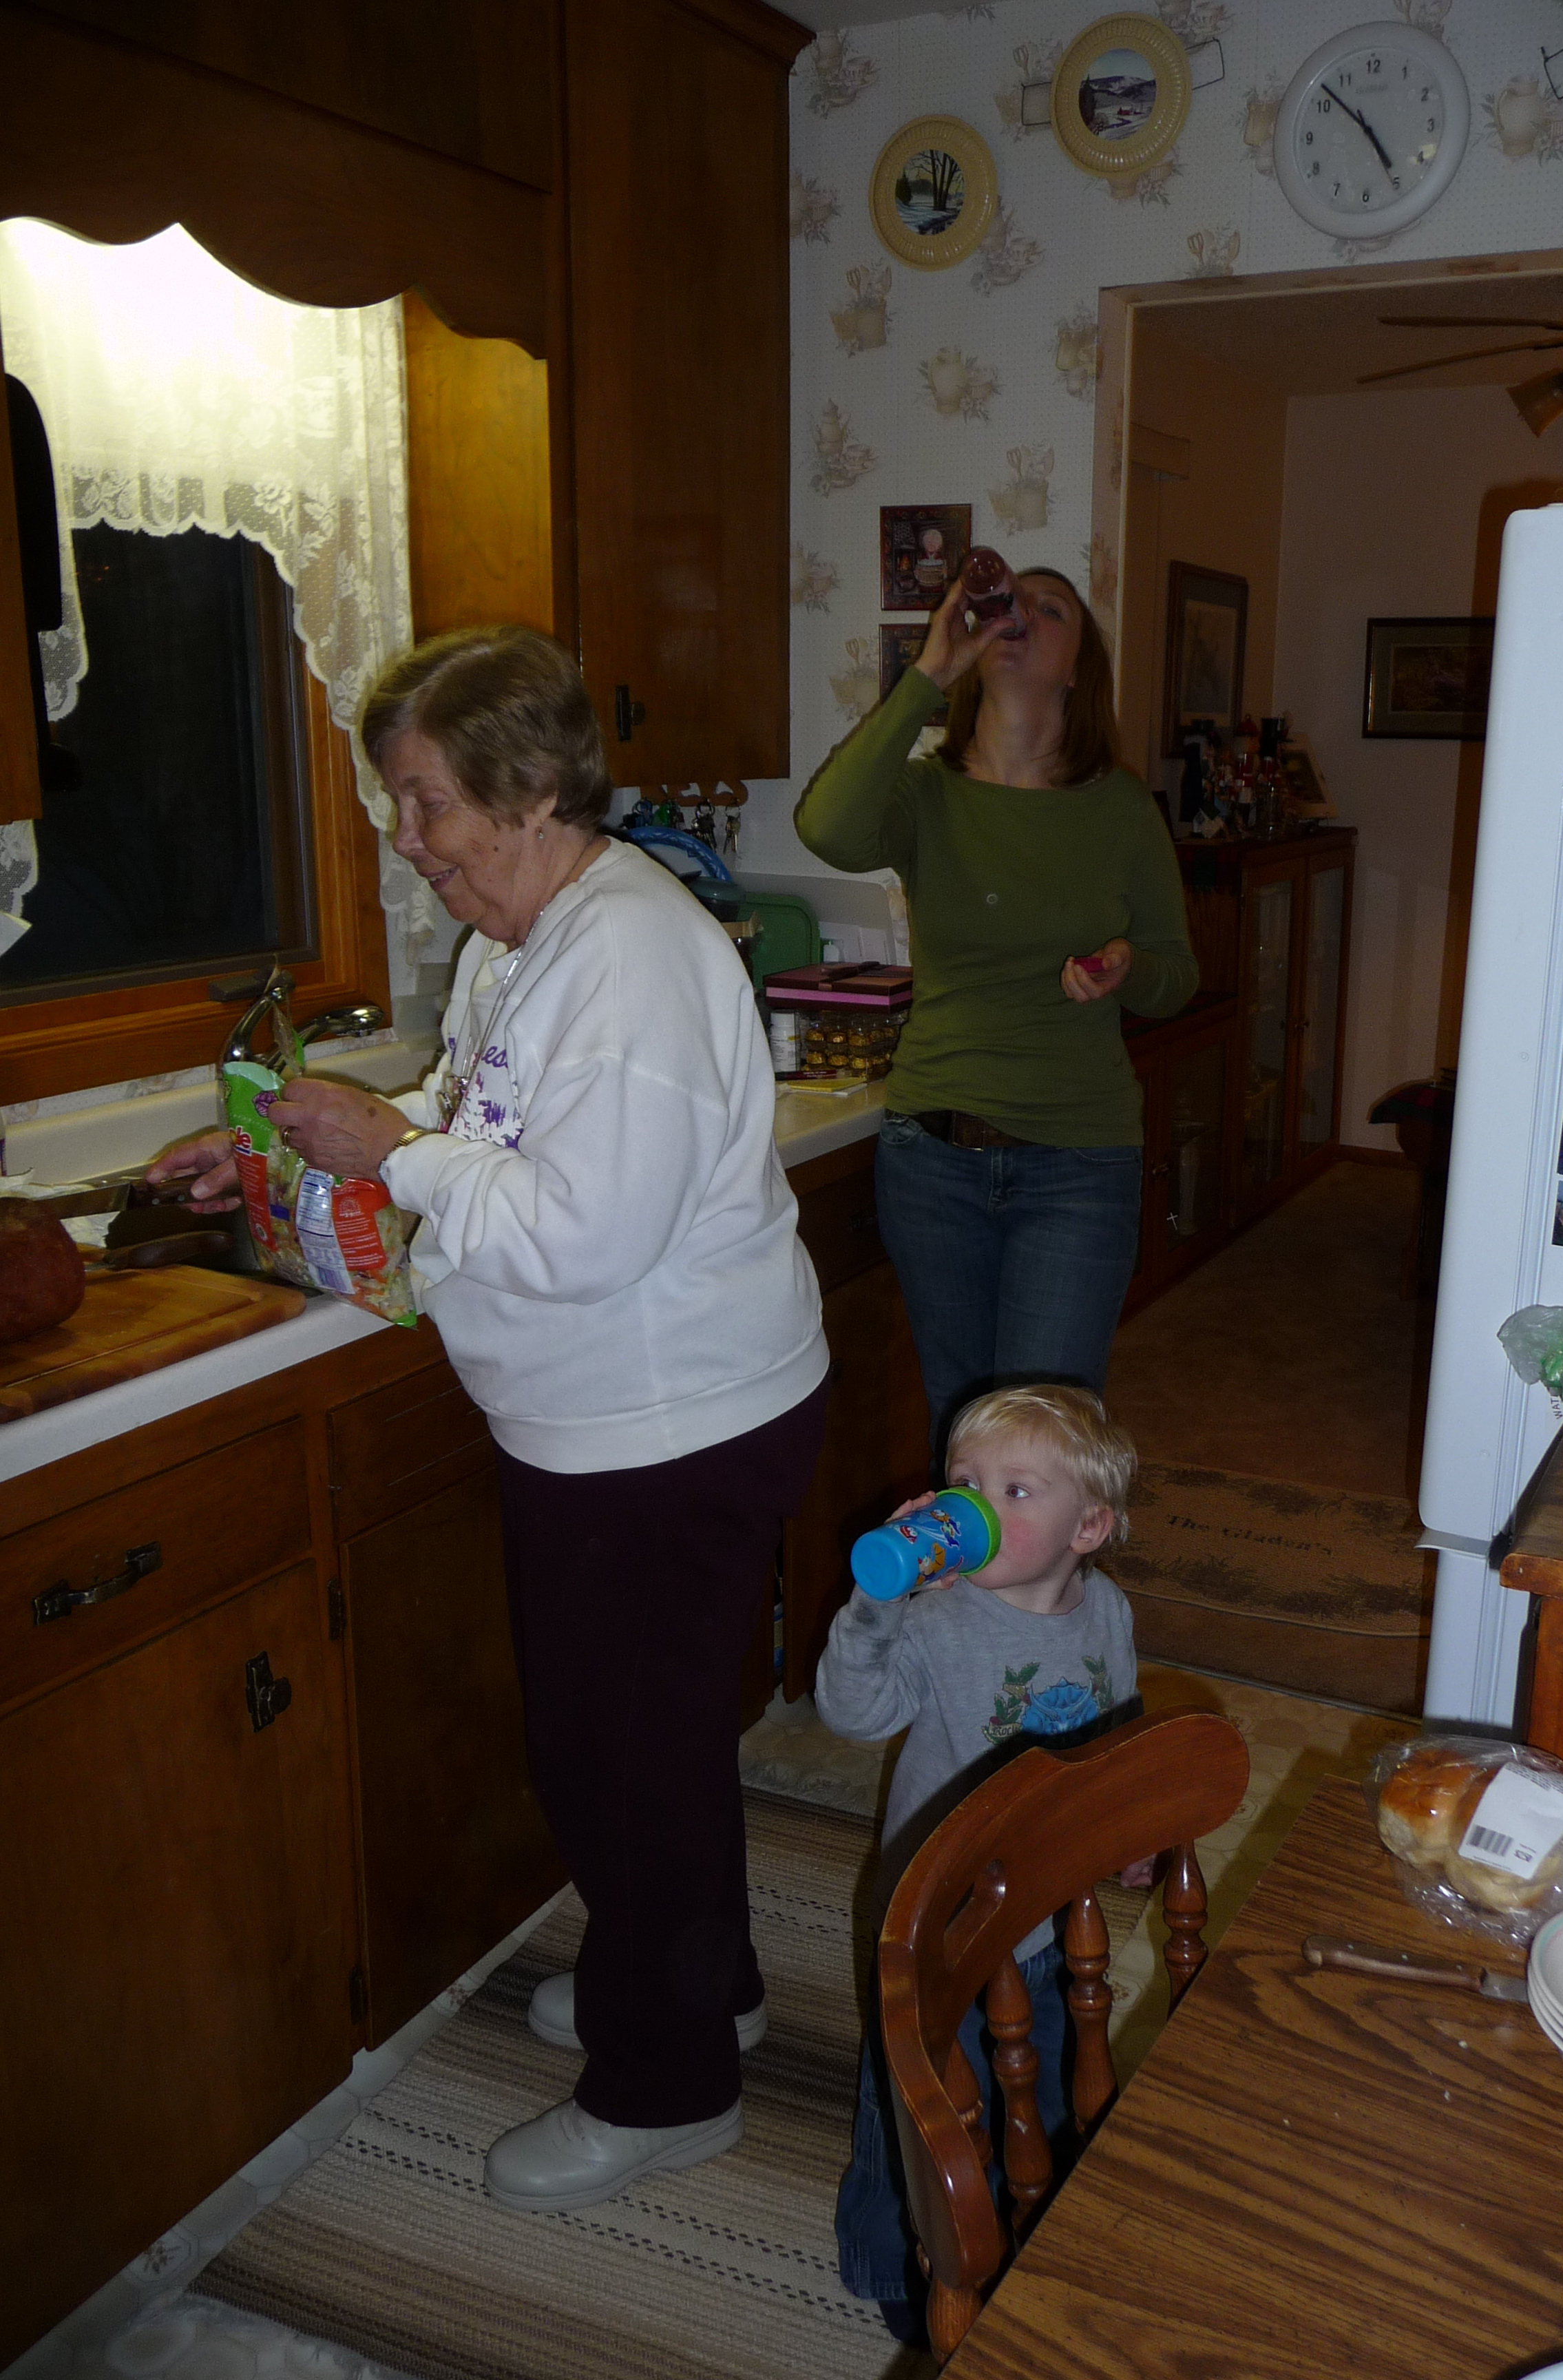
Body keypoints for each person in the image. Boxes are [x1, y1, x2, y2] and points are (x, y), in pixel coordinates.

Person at [147, 626, 828, 2214]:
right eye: (399, 802)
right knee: (650, 1748)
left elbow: (582, 1229)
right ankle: (700, 1985)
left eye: (427, 801)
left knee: (618, 1764)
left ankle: (667, 2089)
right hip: (615, 1420)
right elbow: (479, 1126)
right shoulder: (519, 946)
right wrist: (289, 1144)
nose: (409, 839)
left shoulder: (632, 956)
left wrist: (388, 1149)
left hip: (667, 1429)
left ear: (527, 791)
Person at [795, 567, 1195, 1457]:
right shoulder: (925, 796)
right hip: (931, 1163)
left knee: (1044, 1443)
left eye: (1051, 610)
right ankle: (968, 1559)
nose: (1022, 616)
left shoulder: (1120, 809)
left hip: (1078, 1164)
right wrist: (927, 674)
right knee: (962, 1430)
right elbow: (826, 829)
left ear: (1077, 668)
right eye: (1009, 605)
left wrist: (1128, 967)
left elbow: (1178, 975)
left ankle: (1047, 1556)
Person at [814, 1384, 1149, 2341]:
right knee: (920, 2104)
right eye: (963, 1481)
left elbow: (1116, 1734)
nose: (974, 1505)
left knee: (1040, 2075)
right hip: (942, 1919)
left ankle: (1024, 2225)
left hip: (1047, 1904)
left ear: (1089, 1528)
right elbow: (854, 1714)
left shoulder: (1106, 1611)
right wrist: (877, 1606)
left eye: (1014, 1490)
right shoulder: (938, 1618)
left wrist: (1128, 1829)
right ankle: (896, 2259)